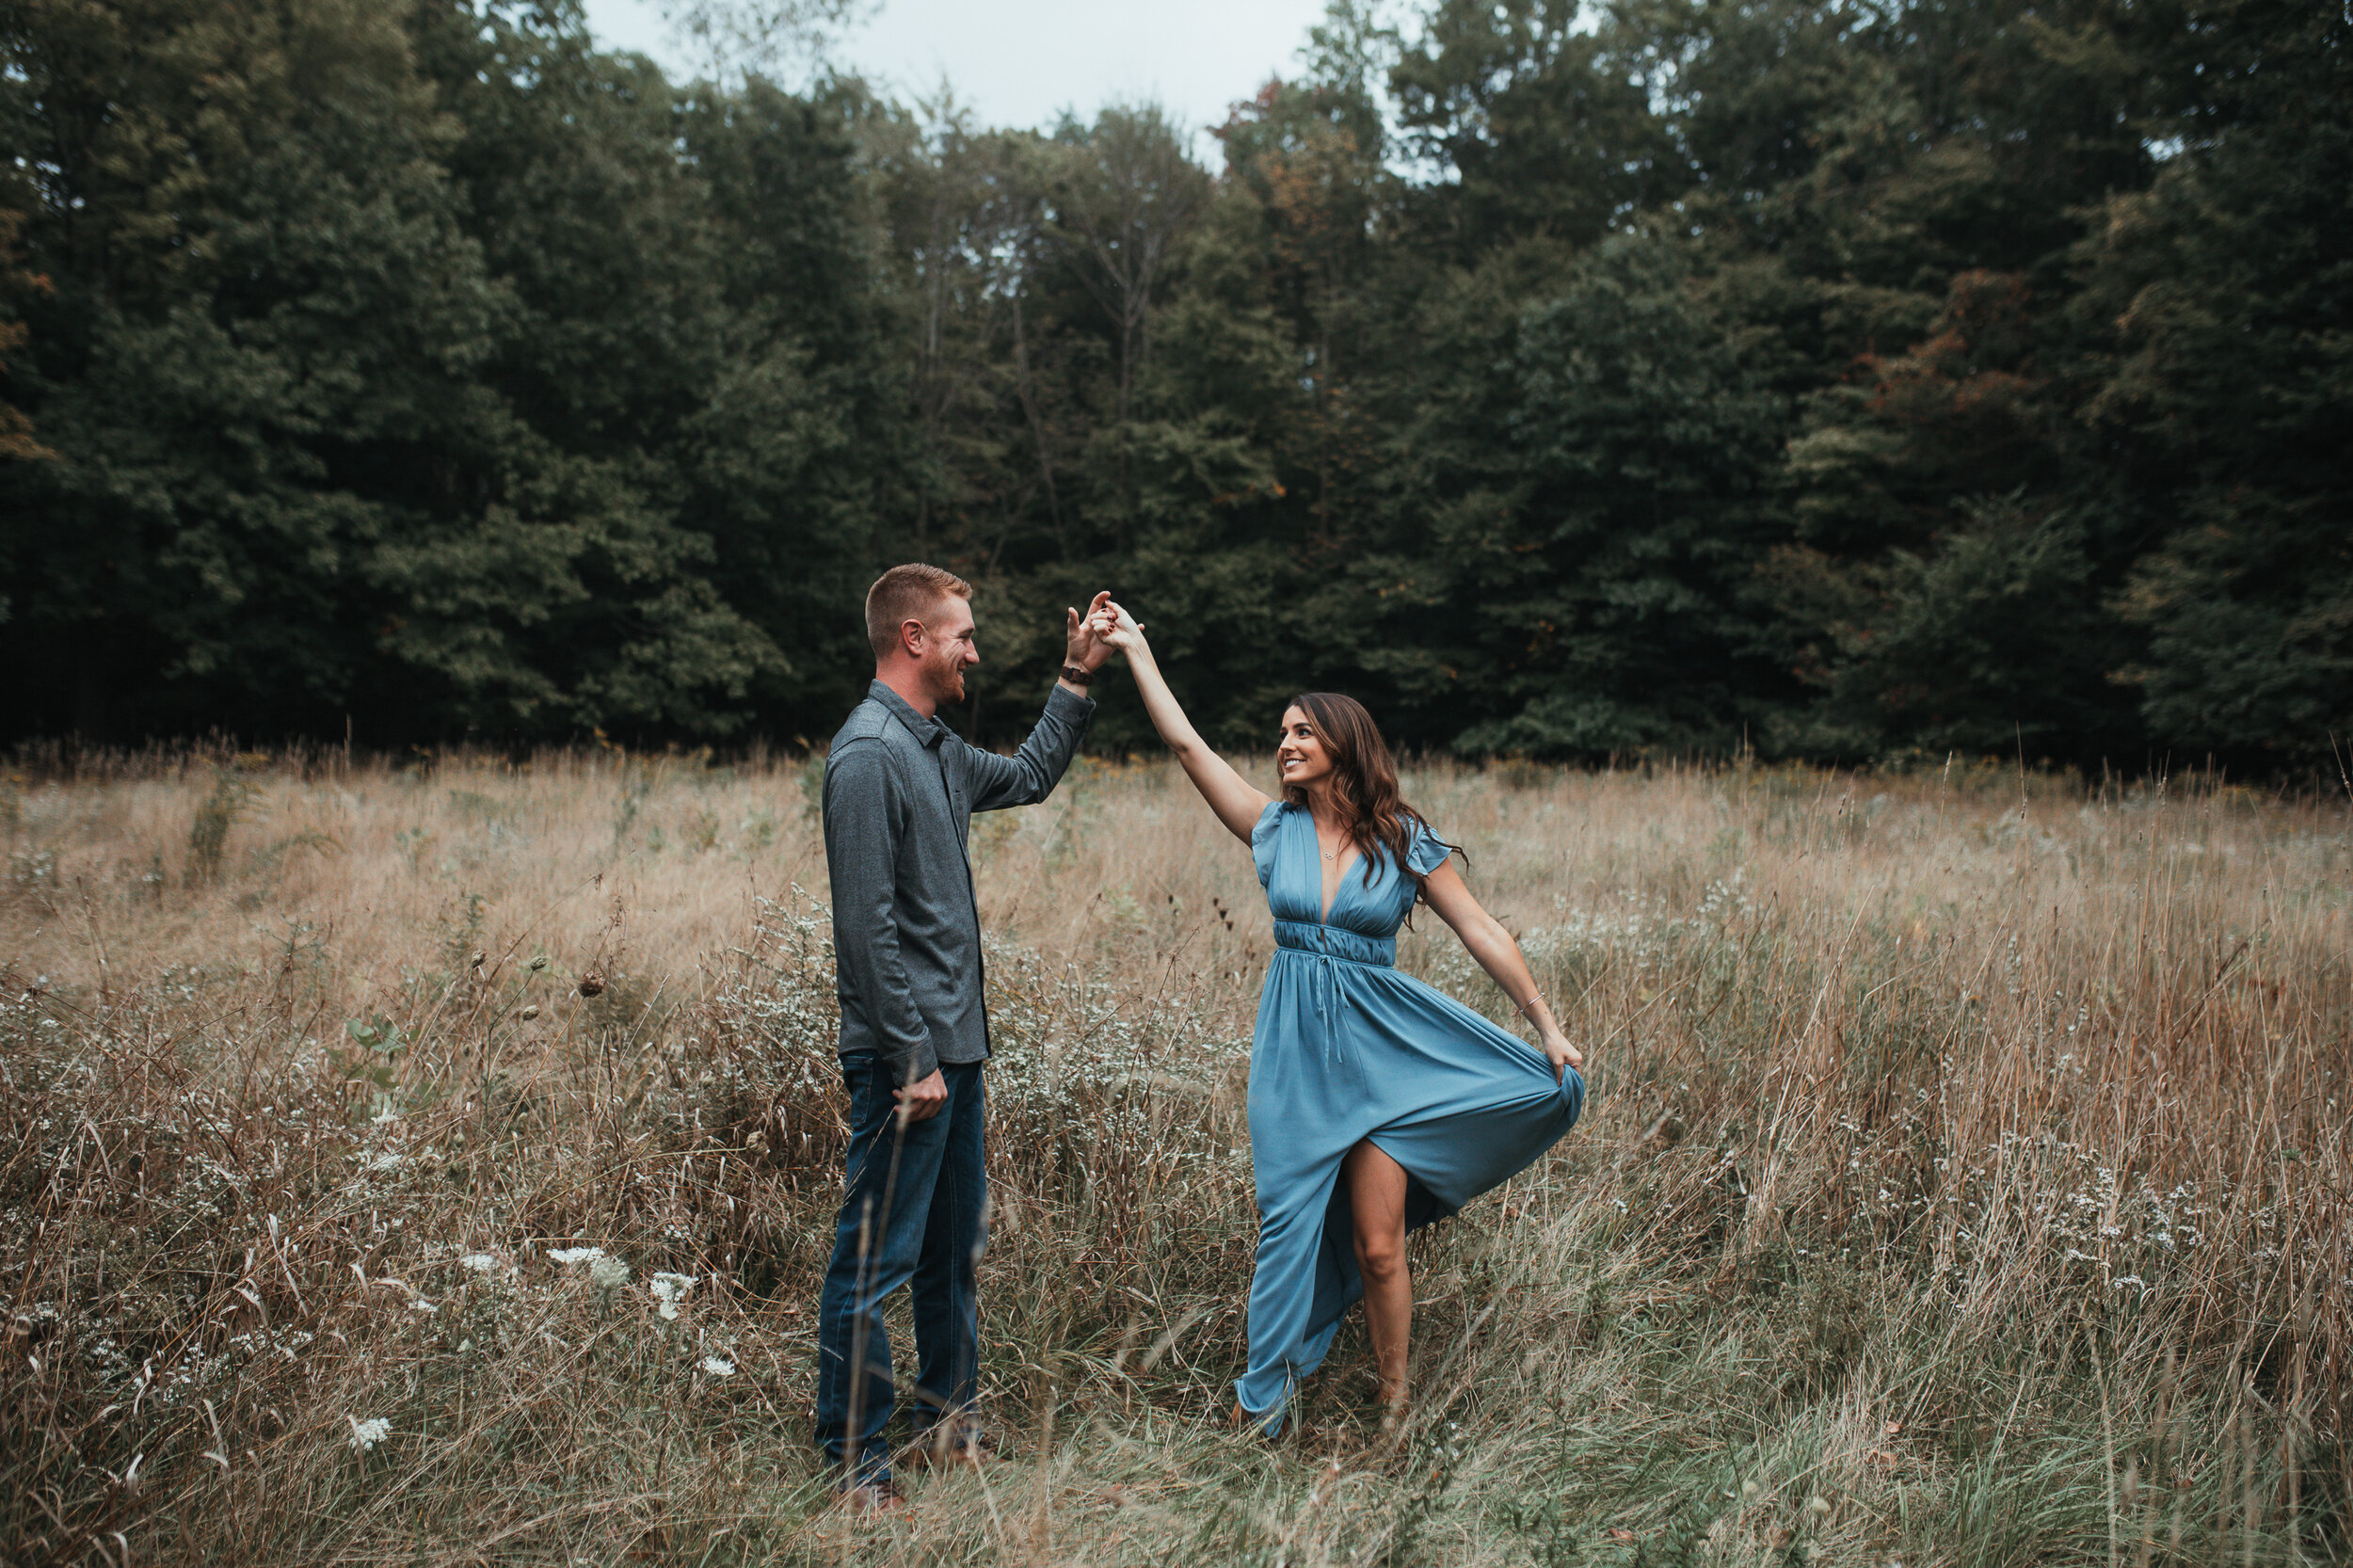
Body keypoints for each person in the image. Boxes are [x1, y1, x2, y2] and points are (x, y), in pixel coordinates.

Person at [1089, 600, 1585, 1433]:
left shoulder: (1402, 839)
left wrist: (1545, 1024)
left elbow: (1480, 928)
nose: (1285, 744)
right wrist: (1136, 648)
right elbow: (1185, 745)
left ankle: (1394, 1407)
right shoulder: (1270, 828)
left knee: (1380, 1244)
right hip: (1295, 1057)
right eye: (1282, 733)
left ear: (1342, 747)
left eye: (1302, 734)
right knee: (1285, 1225)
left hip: (1386, 1057)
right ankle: (1264, 1410)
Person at [815, 565, 1115, 1510]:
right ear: (912, 638)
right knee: (874, 1260)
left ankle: (949, 1424)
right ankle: (855, 1463)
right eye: (962, 636)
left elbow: (1027, 776)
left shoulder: (935, 748)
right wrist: (912, 1057)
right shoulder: (867, 755)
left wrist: (1075, 678)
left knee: (949, 1251)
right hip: (910, 1060)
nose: (974, 652)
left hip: (958, 1051)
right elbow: (864, 928)